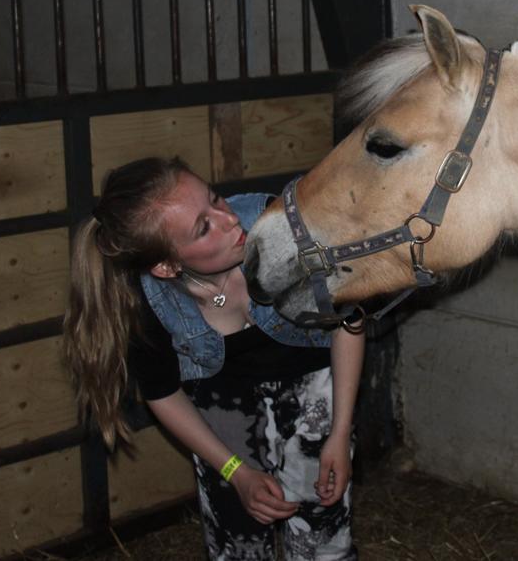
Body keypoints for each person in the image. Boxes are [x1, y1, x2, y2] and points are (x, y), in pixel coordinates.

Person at [63, 156, 363, 560]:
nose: (229, 221)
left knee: (323, 537)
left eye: (215, 199)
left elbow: (349, 318)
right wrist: (235, 472)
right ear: (167, 266)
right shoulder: (146, 299)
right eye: (203, 228)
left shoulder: (280, 226)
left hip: (317, 390)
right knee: (237, 545)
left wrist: (340, 433)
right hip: (221, 414)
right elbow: (162, 392)